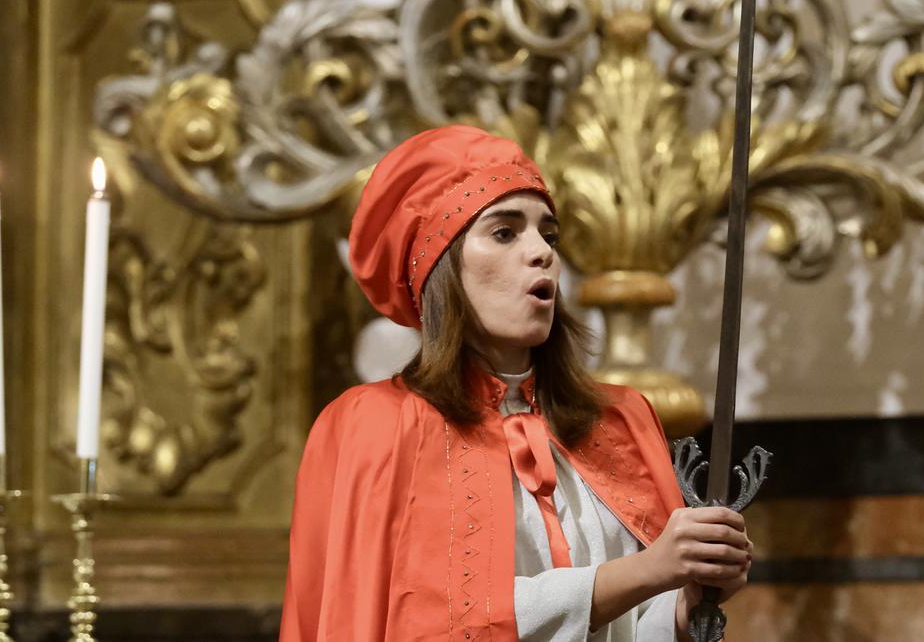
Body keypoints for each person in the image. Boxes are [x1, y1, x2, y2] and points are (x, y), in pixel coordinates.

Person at [280, 125, 752, 641]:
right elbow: (427, 620)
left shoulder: (619, 421)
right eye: (505, 232)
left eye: (547, 234)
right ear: (442, 268)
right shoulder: (374, 424)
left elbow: (636, 627)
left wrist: (686, 602)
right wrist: (642, 573)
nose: (542, 252)